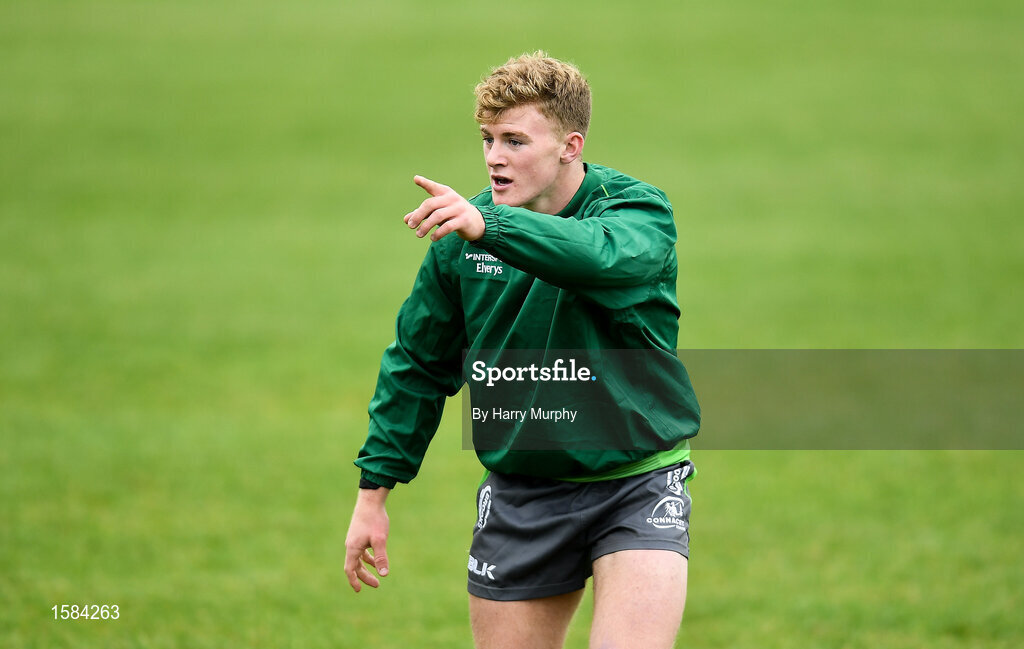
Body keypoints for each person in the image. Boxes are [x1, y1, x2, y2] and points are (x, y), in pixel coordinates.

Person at [344, 51, 700, 649]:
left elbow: (599, 255)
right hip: (523, 492)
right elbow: (419, 364)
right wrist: (372, 494)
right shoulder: (465, 238)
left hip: (636, 482)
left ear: (570, 144)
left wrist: (491, 228)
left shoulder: (638, 213)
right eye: (487, 139)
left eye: (514, 140)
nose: (493, 157)